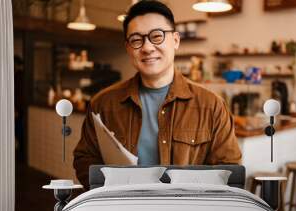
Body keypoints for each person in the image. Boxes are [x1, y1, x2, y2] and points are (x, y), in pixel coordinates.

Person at [73, 0, 242, 190]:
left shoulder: (211, 106)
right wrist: (112, 190)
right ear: (128, 47)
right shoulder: (103, 104)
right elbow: (84, 159)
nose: (147, 47)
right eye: (136, 40)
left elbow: (229, 171)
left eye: (157, 36)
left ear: (176, 40)